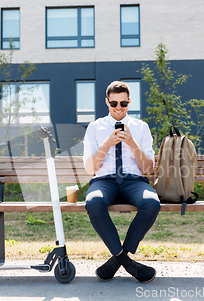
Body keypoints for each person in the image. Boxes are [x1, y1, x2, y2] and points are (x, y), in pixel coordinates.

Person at [83, 81, 161, 283]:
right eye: (114, 103)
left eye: (123, 104)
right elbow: (90, 168)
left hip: (134, 180)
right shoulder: (95, 127)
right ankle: (127, 263)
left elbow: (148, 169)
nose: (119, 108)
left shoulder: (141, 127)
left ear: (129, 102)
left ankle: (116, 261)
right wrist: (107, 143)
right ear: (106, 102)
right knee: (93, 202)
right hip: (104, 180)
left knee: (152, 202)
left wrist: (132, 143)